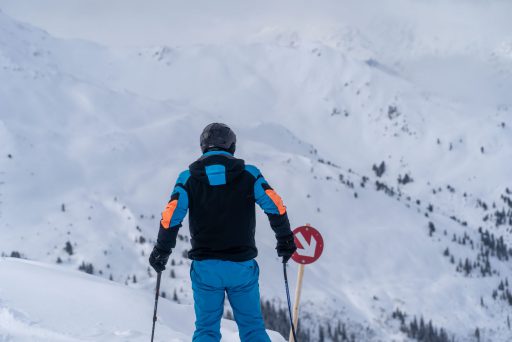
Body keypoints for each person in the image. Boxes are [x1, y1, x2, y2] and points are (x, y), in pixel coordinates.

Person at [149, 122, 297, 342]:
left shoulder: (188, 178)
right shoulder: (249, 174)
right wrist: (285, 238)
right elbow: (274, 205)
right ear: (232, 146)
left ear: (203, 147)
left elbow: (171, 216)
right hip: (241, 266)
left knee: (206, 331)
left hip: (206, 267)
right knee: (253, 330)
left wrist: (162, 250)